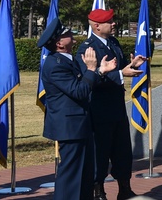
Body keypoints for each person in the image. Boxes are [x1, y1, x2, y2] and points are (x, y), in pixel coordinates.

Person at [40, 18, 117, 200]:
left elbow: (82, 85)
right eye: (66, 34)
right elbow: (79, 91)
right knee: (71, 176)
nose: (71, 36)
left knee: (84, 174)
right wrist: (91, 69)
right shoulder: (55, 64)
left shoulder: (67, 60)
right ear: (59, 43)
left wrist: (99, 71)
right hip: (69, 127)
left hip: (80, 124)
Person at [76, 8, 146, 200]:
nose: (114, 23)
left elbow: (119, 69)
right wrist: (122, 74)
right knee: (100, 151)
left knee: (122, 150)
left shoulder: (113, 43)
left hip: (116, 106)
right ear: (97, 26)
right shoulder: (87, 49)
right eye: (110, 21)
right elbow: (90, 79)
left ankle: (125, 189)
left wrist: (132, 66)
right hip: (99, 108)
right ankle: (98, 191)